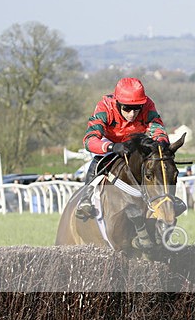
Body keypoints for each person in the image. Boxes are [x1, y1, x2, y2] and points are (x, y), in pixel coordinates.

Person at [76, 77, 178, 220]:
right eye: (127, 108)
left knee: (158, 160)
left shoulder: (148, 105)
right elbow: (89, 140)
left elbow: (158, 129)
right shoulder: (105, 107)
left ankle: (168, 199)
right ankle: (85, 199)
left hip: (135, 142)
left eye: (137, 108)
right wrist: (111, 147)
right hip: (110, 141)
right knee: (99, 158)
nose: (132, 114)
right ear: (117, 103)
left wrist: (161, 143)